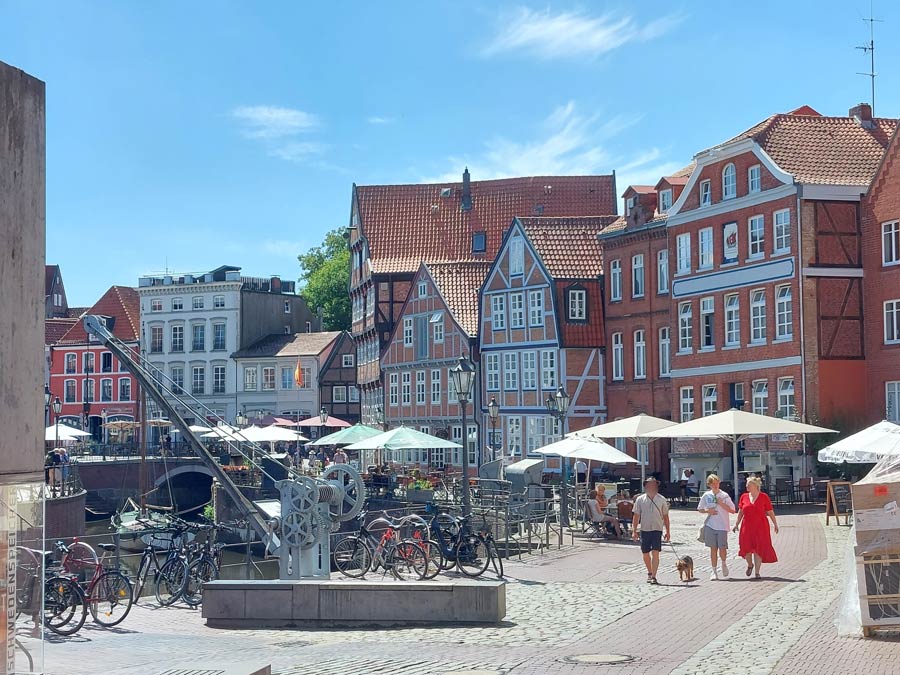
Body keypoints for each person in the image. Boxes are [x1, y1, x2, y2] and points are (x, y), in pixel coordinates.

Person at [733, 475, 779, 579]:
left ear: (755, 486)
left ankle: (757, 572)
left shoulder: (764, 497)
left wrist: (775, 524)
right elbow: (740, 512)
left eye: (749, 485)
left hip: (761, 526)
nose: (747, 486)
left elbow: (770, 512)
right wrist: (736, 524)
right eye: (746, 485)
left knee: (759, 548)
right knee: (746, 548)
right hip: (747, 526)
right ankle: (750, 565)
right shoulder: (744, 497)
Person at [631, 477, 670, 584]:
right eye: (649, 485)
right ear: (646, 487)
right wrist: (634, 530)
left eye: (654, 485)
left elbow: (666, 516)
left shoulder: (662, 499)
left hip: (657, 529)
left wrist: (668, 531)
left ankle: (653, 576)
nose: (652, 487)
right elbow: (636, 515)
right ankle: (649, 571)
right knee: (645, 553)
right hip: (645, 529)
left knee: (656, 552)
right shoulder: (640, 499)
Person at [698, 474, 736, 580]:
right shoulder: (706, 495)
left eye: (717, 483)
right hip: (710, 525)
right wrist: (708, 511)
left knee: (722, 548)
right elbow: (700, 509)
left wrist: (721, 504)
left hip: (722, 526)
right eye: (713, 484)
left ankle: (723, 563)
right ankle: (714, 571)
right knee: (713, 549)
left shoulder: (724, 495)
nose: (715, 485)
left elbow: (733, 510)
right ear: (709, 485)